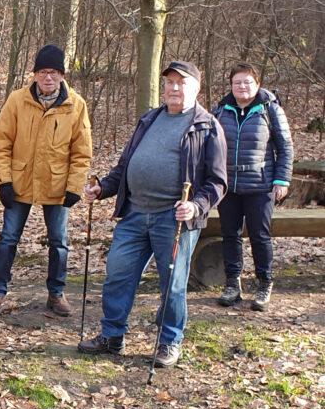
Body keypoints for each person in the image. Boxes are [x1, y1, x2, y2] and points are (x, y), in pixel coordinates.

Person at [79, 61, 227, 368]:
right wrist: (103, 188)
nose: (173, 88)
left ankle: (169, 341)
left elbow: (217, 182)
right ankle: (112, 336)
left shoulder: (207, 126)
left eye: (181, 83)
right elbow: (124, 167)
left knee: (172, 283)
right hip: (134, 214)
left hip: (173, 220)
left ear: (196, 88)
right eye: (169, 82)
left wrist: (196, 206)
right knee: (118, 275)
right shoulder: (149, 119)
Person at [0, 44, 93, 318]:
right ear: (34, 74)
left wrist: (74, 187)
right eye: (43, 72)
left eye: (54, 72)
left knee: (59, 241)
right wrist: (4, 182)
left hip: (56, 186)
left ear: (62, 76)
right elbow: (1, 142)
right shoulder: (17, 100)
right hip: (19, 183)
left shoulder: (75, 106)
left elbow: (82, 152)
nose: (48, 78)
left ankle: (56, 293)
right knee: (8, 238)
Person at [211, 64, 293, 311]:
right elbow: (211, 148)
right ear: (231, 85)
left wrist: (282, 180)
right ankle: (232, 284)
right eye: (237, 82)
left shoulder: (270, 110)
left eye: (247, 82)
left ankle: (264, 282)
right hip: (229, 188)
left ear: (257, 84)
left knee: (259, 236)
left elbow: (285, 148)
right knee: (230, 235)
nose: (242, 87)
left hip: (261, 185)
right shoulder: (220, 112)